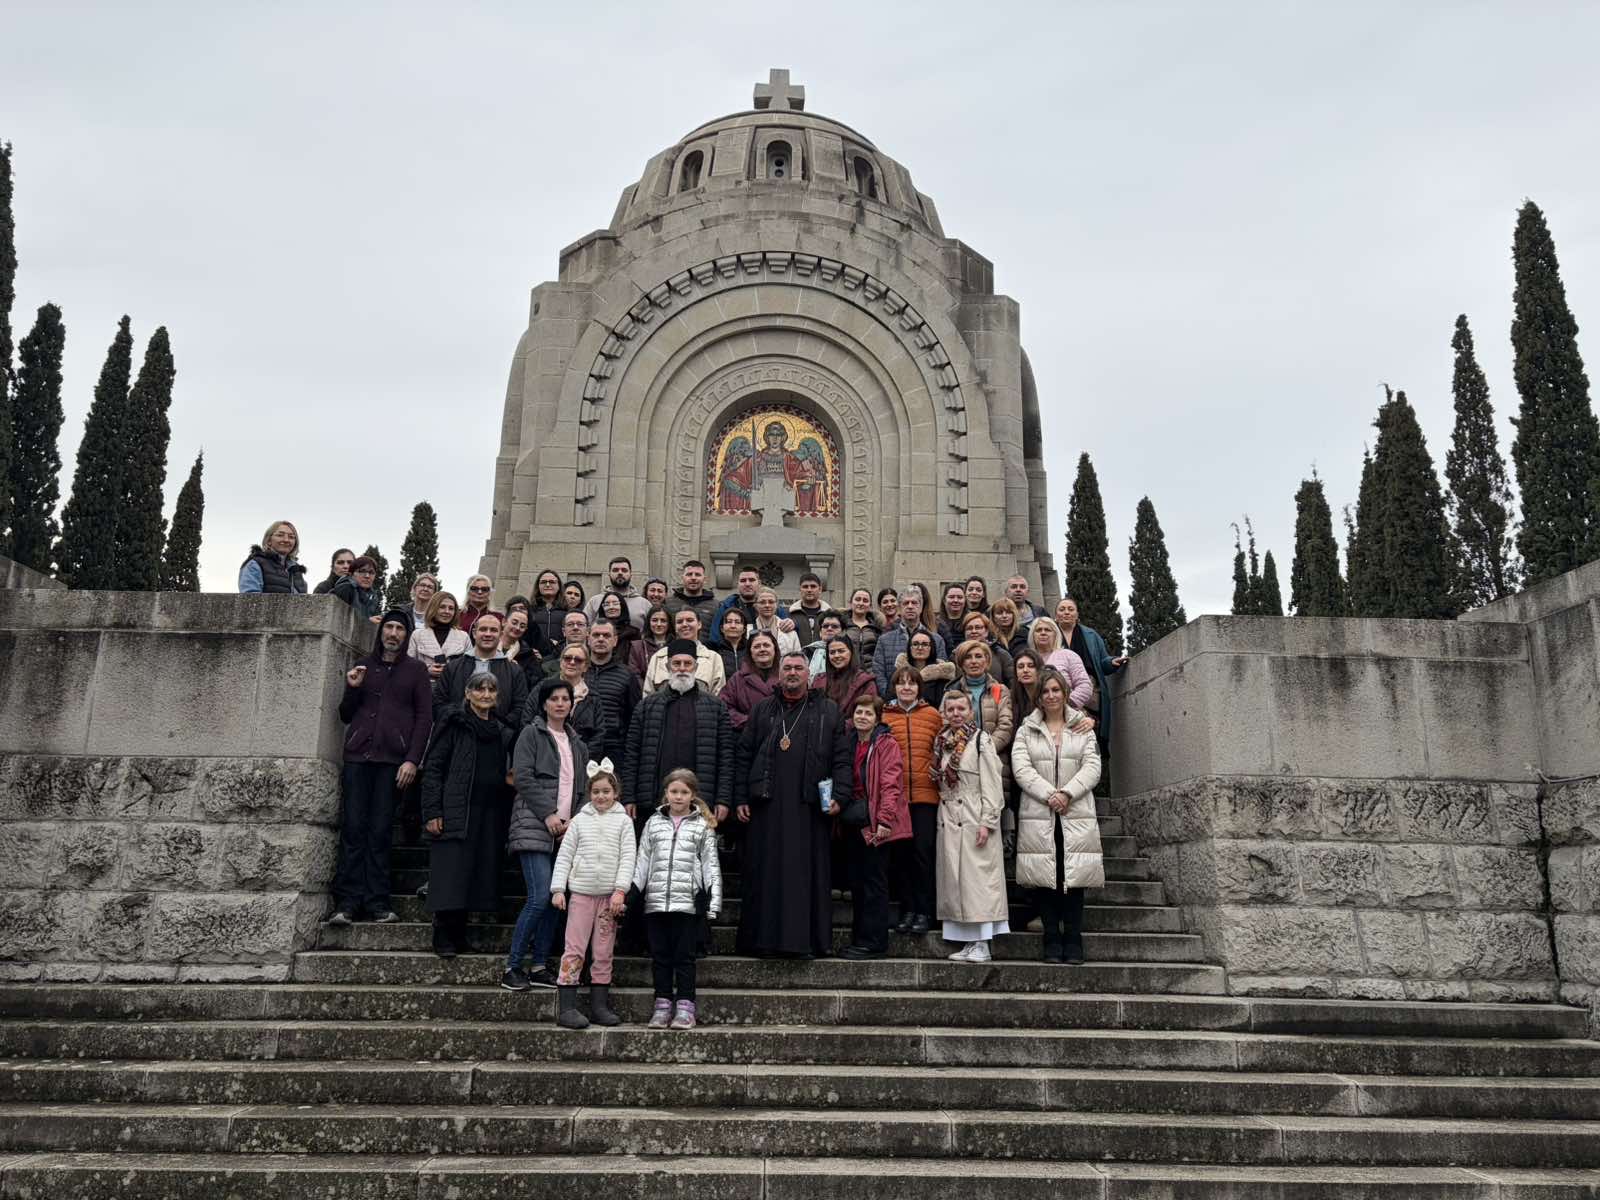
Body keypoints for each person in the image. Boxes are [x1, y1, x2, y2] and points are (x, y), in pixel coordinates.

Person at [734, 651, 853, 959]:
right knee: (766, 875)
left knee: (805, 876)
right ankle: (763, 942)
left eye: (799, 668)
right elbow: (744, 754)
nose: (792, 672)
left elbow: (841, 758)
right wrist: (741, 797)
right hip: (767, 806)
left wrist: (839, 796)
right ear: (780, 673)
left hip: (808, 808)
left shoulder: (829, 710)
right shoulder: (762, 709)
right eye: (787, 667)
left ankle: (805, 943)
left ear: (808, 675)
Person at [329, 609, 432, 925]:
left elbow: (424, 718)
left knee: (380, 831)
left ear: (406, 636)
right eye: (389, 627)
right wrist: (352, 688)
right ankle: (347, 902)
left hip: (392, 762)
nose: (393, 633)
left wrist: (412, 759)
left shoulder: (416, 671)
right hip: (358, 758)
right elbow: (346, 714)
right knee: (353, 829)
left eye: (400, 628)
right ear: (381, 631)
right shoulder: (363, 666)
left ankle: (377, 902)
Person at [419, 670, 515, 957]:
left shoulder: (501, 730)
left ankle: (459, 935)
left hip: (490, 811)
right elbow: (433, 768)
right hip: (457, 809)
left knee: (473, 874)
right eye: (479, 689)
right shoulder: (454, 723)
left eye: (491, 690)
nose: (485, 695)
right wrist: (432, 811)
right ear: (467, 693)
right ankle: (443, 935)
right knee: (450, 874)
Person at [1011, 667, 1103, 964]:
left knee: (1073, 878)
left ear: (1065, 693)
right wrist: (1050, 794)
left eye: (1056, 690)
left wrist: (1067, 794)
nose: (1051, 696)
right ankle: (1051, 938)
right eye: (1045, 691)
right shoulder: (1026, 730)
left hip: (1075, 811)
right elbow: (1021, 768)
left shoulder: (1082, 727)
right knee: (1046, 878)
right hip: (1040, 812)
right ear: (1038, 697)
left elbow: (1093, 766)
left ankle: (1073, 939)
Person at [504, 678, 589, 991]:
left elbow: (584, 788)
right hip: (534, 825)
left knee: (556, 900)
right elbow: (523, 777)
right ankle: (513, 967)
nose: (560, 704)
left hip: (565, 832)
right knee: (539, 897)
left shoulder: (578, 743)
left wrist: (574, 821)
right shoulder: (531, 734)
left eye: (565, 699)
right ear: (544, 704)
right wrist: (549, 814)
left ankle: (539, 965)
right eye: (554, 698)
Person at [631, 768, 722, 1029]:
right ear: (666, 793)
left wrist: (713, 902)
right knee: (660, 956)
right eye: (674, 791)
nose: (678, 796)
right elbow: (643, 860)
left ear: (693, 795)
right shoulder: (653, 822)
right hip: (657, 901)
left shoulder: (702, 826)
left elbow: (711, 865)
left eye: (684, 792)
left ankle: (685, 1007)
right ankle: (662, 1005)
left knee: (684, 957)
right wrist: (633, 893)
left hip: (687, 903)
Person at [550, 761, 636, 1028]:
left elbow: (628, 858)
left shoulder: (624, 822)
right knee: (574, 949)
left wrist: (620, 891)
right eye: (596, 791)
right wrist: (558, 889)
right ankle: (567, 1009)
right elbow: (565, 856)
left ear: (615, 793)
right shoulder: (579, 821)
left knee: (603, 951)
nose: (601, 796)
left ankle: (599, 1007)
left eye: (606, 791)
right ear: (589, 793)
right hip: (581, 896)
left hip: (609, 899)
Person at [622, 639, 735, 823]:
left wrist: (723, 799)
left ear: (696, 667)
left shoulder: (715, 707)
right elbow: (632, 754)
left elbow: (725, 757)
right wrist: (629, 797)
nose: (682, 669)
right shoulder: (647, 706)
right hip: (652, 800)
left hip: (701, 802)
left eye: (687, 663)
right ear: (668, 667)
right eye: (676, 663)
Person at [933, 688, 1008, 963]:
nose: (956, 714)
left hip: (974, 814)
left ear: (970, 711)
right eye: (950, 709)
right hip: (949, 816)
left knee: (979, 882)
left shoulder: (980, 740)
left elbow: (992, 782)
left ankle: (983, 943)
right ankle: (967, 941)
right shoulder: (942, 741)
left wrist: (988, 821)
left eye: (961, 709)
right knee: (956, 882)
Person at [839, 695, 910, 959]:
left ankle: (874, 942)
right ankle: (860, 938)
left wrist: (884, 820)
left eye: (868, 713)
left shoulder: (886, 744)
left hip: (876, 821)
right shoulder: (849, 742)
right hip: (854, 821)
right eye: (859, 712)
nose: (862, 717)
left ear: (877, 718)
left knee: (874, 882)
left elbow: (891, 784)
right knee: (858, 882)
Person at [885, 667, 943, 935]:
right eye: (901, 683)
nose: (906, 688)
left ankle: (924, 911)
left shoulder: (932, 715)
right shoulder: (886, 715)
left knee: (923, 854)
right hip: (896, 798)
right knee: (901, 856)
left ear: (920, 688)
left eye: (912, 683)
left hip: (925, 796)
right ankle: (907, 909)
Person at [1054, 596, 1128, 761]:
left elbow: (1102, 662)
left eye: (1070, 609)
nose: (1066, 612)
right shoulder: (1049, 634)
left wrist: (1112, 662)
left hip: (1090, 693)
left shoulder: (1091, 635)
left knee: (1090, 737)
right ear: (1056, 616)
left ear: (1077, 614)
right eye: (1062, 609)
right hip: (1058, 692)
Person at [433, 612, 529, 729]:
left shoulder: (514, 671)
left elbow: (520, 706)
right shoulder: (453, 667)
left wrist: (500, 728)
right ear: (474, 633)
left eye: (493, 630)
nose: (488, 634)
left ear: (500, 635)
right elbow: (439, 702)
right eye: (483, 629)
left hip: (497, 736)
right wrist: (457, 723)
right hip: (457, 732)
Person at [584, 619, 642, 766]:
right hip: (580, 746)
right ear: (588, 639)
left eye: (606, 635)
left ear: (615, 641)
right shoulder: (578, 671)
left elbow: (634, 717)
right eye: (596, 635)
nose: (601, 639)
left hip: (614, 750)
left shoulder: (627, 675)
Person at [871, 584, 946, 694]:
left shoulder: (937, 640)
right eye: (906, 603)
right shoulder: (884, 640)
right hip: (893, 700)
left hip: (928, 700)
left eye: (914, 603)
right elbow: (878, 673)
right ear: (899, 608)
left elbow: (942, 674)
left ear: (921, 607)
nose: (910, 606)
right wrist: (889, 696)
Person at [950, 639, 1016, 765]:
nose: (973, 661)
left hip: (995, 761)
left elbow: (1006, 725)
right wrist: (968, 752)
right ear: (961, 663)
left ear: (987, 661)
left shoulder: (1000, 690)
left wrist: (985, 750)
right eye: (968, 657)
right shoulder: (952, 692)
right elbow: (947, 726)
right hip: (962, 761)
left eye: (978, 656)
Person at [641, 609, 726, 695]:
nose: (684, 624)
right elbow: (648, 693)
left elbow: (719, 694)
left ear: (699, 624)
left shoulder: (713, 658)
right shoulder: (659, 657)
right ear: (675, 627)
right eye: (679, 622)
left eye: (690, 620)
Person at [542, 640, 604, 754]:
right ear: (561, 662)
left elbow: (598, 735)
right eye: (567, 658)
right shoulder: (543, 688)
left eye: (578, 660)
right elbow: (529, 720)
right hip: (546, 755)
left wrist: (582, 758)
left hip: (582, 758)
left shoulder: (593, 697)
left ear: (585, 667)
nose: (572, 662)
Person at [1026, 617, 1095, 708]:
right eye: (1038, 630)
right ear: (1032, 635)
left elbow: (1085, 685)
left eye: (1047, 630)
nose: (1043, 633)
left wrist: (1066, 704)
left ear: (1055, 634)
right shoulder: (1026, 659)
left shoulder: (1068, 655)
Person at [712, 565, 793, 640]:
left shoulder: (773, 607)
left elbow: (791, 631)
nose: (747, 584)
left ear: (759, 583)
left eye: (751, 580)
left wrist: (793, 623)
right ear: (738, 585)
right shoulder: (726, 607)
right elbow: (715, 638)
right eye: (743, 581)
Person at [721, 630, 780, 731]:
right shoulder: (738, 679)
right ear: (750, 652)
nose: (762, 649)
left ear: (775, 648)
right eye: (757, 646)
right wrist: (749, 722)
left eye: (766, 645)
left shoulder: (787, 675)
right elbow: (725, 708)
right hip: (749, 735)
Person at [815, 634, 877, 717]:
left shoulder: (865, 683)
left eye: (841, 651)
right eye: (832, 652)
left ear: (851, 652)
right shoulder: (819, 681)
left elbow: (867, 714)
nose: (836, 655)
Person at [239, 521, 308, 594]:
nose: (286, 540)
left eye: (291, 537)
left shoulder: (296, 571)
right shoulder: (255, 564)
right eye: (280, 535)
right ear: (269, 540)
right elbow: (250, 598)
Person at [582, 555, 650, 630]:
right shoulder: (595, 601)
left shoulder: (644, 604)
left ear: (631, 574)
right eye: (615, 570)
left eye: (624, 570)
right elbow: (583, 627)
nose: (620, 573)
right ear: (609, 574)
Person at [897, 628, 955, 706]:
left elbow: (943, 704)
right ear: (910, 648)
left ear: (931, 648)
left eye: (924, 644)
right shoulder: (899, 672)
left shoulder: (941, 675)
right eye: (915, 644)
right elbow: (891, 699)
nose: (920, 648)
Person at [961, 611, 1014, 686]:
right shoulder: (956, 655)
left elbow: (1013, 683)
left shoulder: (1000, 654)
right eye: (969, 628)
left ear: (986, 631)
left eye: (978, 627)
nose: (973, 631)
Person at [665, 560, 718, 634]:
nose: (693, 578)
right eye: (689, 574)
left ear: (704, 579)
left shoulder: (716, 606)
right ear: (682, 578)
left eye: (697, 575)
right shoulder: (668, 603)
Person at [750, 587, 802, 656]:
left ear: (777, 605)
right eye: (762, 602)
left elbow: (797, 658)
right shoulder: (748, 631)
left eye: (771, 602)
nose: (767, 605)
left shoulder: (790, 631)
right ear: (755, 605)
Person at [331, 556, 382, 623]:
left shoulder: (373, 597)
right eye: (362, 571)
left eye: (371, 572)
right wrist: (368, 621)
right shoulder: (345, 588)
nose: (367, 576)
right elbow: (337, 618)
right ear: (351, 574)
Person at [541, 610, 590, 679]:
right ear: (563, 631)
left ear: (588, 631)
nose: (575, 627)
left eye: (580, 624)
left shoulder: (597, 658)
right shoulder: (546, 663)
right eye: (570, 624)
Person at [526, 569, 568, 650]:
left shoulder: (567, 611)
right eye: (543, 582)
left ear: (559, 586)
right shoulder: (529, 611)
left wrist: (559, 646)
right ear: (538, 586)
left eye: (552, 582)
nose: (548, 585)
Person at [630, 604, 672, 679]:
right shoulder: (637, 647)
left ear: (669, 623)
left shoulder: (676, 645)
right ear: (648, 622)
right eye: (654, 620)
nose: (659, 624)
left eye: (663, 621)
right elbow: (634, 675)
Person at [843, 588, 882, 665]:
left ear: (870, 606)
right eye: (857, 599)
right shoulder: (842, 625)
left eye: (865, 601)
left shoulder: (877, 627)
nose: (861, 603)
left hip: (870, 670)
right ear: (850, 603)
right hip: (847, 670)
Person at [788, 572, 829, 647]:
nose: (809, 590)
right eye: (805, 587)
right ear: (800, 589)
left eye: (813, 586)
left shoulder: (829, 614)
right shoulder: (789, 614)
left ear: (820, 589)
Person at [597, 592, 641, 658]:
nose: (611, 607)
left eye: (615, 603)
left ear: (622, 606)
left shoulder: (634, 633)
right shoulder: (596, 631)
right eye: (607, 604)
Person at [805, 611, 846, 681]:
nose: (829, 628)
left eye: (834, 626)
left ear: (843, 632)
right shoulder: (808, 651)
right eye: (825, 626)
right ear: (820, 633)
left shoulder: (849, 652)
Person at [713, 606, 749, 677]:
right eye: (729, 622)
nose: (733, 626)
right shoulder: (714, 650)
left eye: (737, 622)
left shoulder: (751, 649)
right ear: (722, 628)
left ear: (744, 629)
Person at [934, 583, 969, 653]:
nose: (955, 600)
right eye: (951, 597)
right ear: (944, 600)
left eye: (960, 597)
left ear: (965, 600)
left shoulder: (972, 621)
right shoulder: (935, 623)